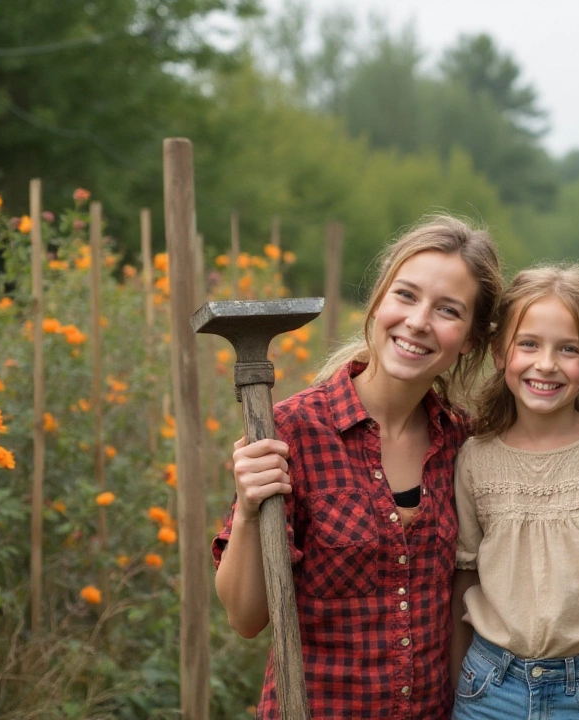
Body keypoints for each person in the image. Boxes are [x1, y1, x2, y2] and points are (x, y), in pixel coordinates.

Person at [212, 214, 503, 719]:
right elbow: (245, 617)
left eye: (448, 310)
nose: (418, 321)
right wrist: (248, 512)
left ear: (471, 340)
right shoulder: (292, 432)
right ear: (378, 303)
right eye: (406, 295)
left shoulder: (466, 443)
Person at [449, 265, 579, 720]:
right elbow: (464, 583)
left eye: (568, 349)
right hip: (487, 687)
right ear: (500, 352)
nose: (546, 364)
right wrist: (454, 689)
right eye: (529, 344)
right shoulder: (475, 458)